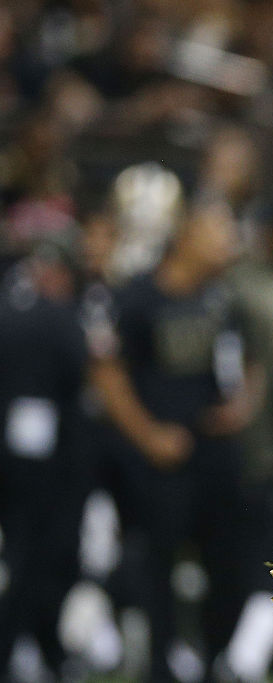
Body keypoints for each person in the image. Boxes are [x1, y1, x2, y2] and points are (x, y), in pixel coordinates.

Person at [89, 200, 252, 681]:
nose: (228, 242)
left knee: (231, 561)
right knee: (155, 563)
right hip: (160, 455)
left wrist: (243, 403)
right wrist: (147, 434)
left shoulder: (223, 298)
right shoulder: (139, 296)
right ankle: (159, 660)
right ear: (185, 236)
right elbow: (108, 374)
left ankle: (212, 654)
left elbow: (247, 363)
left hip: (215, 453)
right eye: (217, 232)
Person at [0, 233, 88, 680]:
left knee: (26, 558)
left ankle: (34, 648)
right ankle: (30, 649)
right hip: (45, 461)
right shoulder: (56, 317)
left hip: (21, 453)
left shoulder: (11, 308)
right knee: (40, 557)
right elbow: (80, 368)